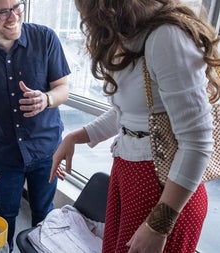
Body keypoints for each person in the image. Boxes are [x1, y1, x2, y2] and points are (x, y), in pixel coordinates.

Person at [49, 0, 220, 252]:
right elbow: (130, 113)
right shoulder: (134, 34)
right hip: (132, 180)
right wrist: (77, 136)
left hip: (162, 195)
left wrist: (158, 225)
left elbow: (197, 143)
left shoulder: (167, 37)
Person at [0, 0, 70, 251]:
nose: (13, 17)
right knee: (3, 215)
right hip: (6, 150)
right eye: (3, 12)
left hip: (45, 148)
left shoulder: (45, 38)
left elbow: (63, 88)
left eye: (17, 7)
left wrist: (47, 98)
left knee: (43, 215)